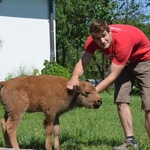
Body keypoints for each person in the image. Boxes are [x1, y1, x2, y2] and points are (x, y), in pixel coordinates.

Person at [67, 20, 150, 150]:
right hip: (122, 63)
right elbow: (82, 62)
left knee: (148, 104)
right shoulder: (92, 40)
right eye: (98, 39)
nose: (103, 41)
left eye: (104, 35)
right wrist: (74, 76)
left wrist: (90, 94)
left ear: (109, 31)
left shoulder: (123, 41)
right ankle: (130, 142)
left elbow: (112, 76)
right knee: (121, 99)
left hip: (144, 60)